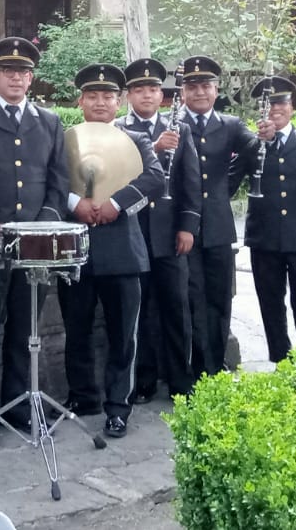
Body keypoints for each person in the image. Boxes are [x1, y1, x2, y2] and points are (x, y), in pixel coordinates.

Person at [0, 37, 68, 449]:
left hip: (34, 250)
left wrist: (40, 230)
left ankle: (20, 409)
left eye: (23, 71)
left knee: (26, 333)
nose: (16, 77)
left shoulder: (50, 121)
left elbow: (58, 183)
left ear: (31, 77)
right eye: (8, 71)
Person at [58, 63, 166, 439]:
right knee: (77, 329)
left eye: (107, 96)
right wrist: (75, 203)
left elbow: (154, 177)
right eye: (92, 96)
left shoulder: (136, 138)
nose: (100, 102)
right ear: (80, 100)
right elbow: (50, 179)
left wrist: (115, 203)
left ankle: (119, 406)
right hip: (75, 248)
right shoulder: (65, 138)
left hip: (122, 248)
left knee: (124, 334)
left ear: (119, 102)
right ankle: (82, 395)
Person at [120, 57, 200, 401]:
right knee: (140, 313)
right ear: (128, 95)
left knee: (176, 308)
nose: (147, 95)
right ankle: (144, 381)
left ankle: (181, 380)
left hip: (169, 234)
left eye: (153, 89)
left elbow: (190, 183)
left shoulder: (178, 128)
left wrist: (187, 226)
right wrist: (153, 149)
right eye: (140, 89)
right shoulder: (119, 131)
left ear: (162, 94)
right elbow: (117, 175)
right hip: (134, 233)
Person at [171, 55, 253, 379]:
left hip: (219, 227)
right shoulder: (172, 125)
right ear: (183, 92)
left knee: (219, 299)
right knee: (189, 299)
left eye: (206, 85)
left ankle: (216, 369)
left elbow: (252, 152)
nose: (200, 92)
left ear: (216, 90)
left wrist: (226, 187)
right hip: (182, 228)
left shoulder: (230, 125)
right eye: (192, 86)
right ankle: (190, 371)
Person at [244, 76, 296, 362]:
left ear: (292, 107)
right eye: (268, 105)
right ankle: (280, 356)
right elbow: (229, 180)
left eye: (281, 103)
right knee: (270, 300)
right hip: (264, 236)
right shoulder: (252, 145)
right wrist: (259, 145)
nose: (275, 110)